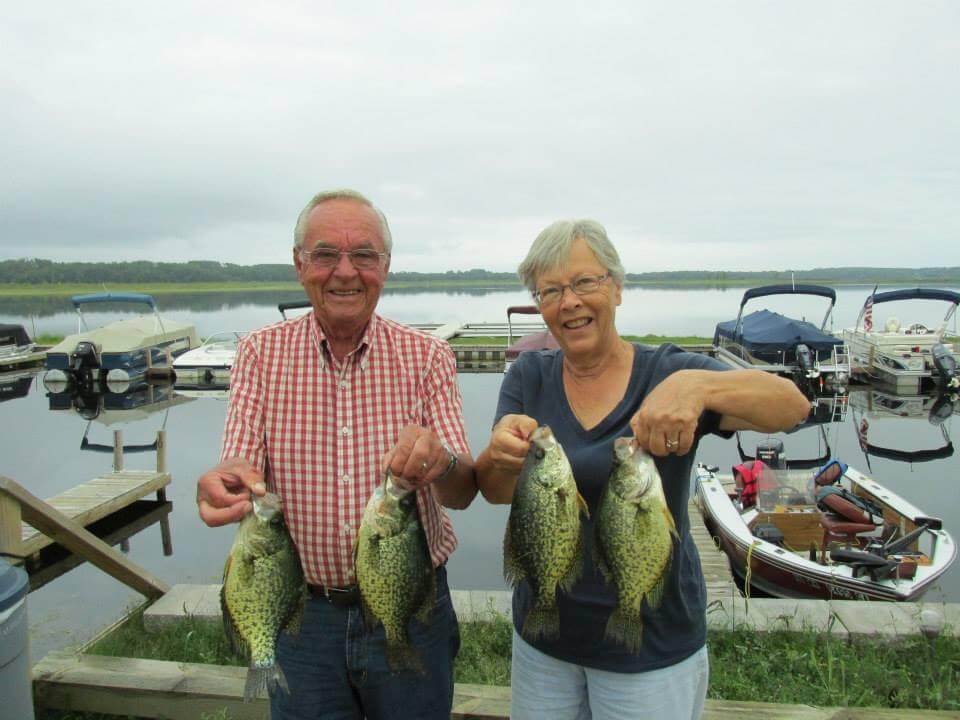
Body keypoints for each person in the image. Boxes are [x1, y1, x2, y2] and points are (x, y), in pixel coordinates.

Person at [475, 219, 810, 720]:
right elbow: (497, 491)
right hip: (543, 642)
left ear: (617, 287)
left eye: (585, 282)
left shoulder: (670, 372)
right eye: (550, 290)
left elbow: (792, 407)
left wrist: (699, 389)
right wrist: (497, 456)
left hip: (653, 648)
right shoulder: (528, 375)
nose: (569, 302)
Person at [196, 189, 478, 720]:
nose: (345, 272)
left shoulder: (430, 356)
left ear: (386, 267)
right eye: (326, 254)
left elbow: (461, 493)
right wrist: (221, 483)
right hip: (301, 613)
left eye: (364, 255)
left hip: (412, 603)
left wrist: (441, 461)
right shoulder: (259, 353)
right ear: (299, 265)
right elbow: (238, 467)